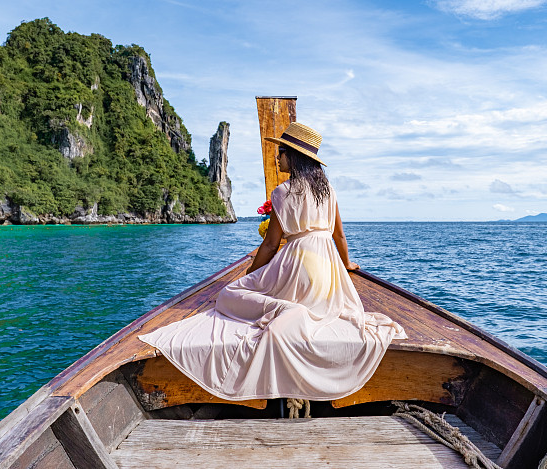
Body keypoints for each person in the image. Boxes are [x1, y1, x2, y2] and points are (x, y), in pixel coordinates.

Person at [139, 122, 406, 402]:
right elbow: (339, 235)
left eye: (280, 152)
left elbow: (271, 244)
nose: (277, 158)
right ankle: (295, 310)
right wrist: (346, 264)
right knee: (317, 304)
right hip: (327, 268)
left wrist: (248, 276)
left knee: (229, 295)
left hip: (297, 262)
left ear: (293, 156)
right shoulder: (328, 190)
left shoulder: (283, 192)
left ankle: (290, 311)